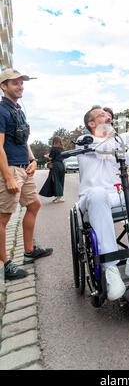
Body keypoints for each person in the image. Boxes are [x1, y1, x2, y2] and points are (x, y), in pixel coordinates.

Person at [77, 106, 129, 301]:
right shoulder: (84, 140)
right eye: (101, 116)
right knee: (98, 194)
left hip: (117, 195)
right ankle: (111, 270)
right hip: (93, 199)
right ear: (91, 124)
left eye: (108, 116)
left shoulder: (116, 141)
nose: (107, 117)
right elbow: (104, 146)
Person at [0, 68, 53, 280]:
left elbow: (23, 140)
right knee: (3, 219)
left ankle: (29, 251)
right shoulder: (1, 111)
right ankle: (7, 265)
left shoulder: (18, 110)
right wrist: (8, 176)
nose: (20, 86)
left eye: (22, 83)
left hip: (24, 167)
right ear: (3, 86)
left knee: (34, 205)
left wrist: (32, 160)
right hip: (11, 169)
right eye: (15, 83)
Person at [39, 136, 65, 203]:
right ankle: (58, 196)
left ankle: (58, 197)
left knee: (55, 180)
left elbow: (50, 158)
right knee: (60, 180)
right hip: (61, 165)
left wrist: (46, 156)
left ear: (54, 141)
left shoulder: (54, 148)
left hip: (55, 165)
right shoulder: (62, 149)